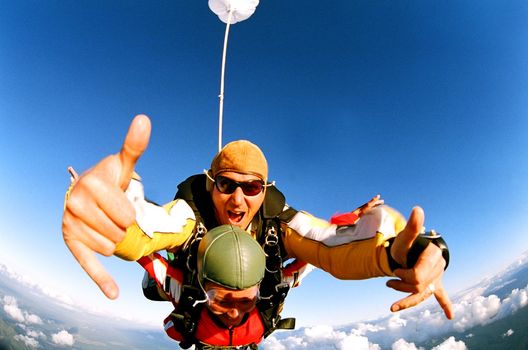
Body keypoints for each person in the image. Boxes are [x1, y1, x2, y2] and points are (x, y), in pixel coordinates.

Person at [62, 115, 453, 347]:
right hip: (200, 320)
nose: (236, 200)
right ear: (210, 183)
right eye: (226, 185)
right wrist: (108, 214)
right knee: (158, 283)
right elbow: (150, 228)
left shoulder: (278, 223)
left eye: (250, 188)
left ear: (263, 190)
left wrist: (410, 252)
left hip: (251, 327)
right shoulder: (190, 215)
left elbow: (331, 248)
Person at [140, 224, 268, 348]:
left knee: (150, 291)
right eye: (222, 301)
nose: (234, 314)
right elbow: (137, 248)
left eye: (245, 301)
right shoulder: (260, 324)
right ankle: (179, 255)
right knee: (150, 290)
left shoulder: (183, 298)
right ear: (202, 287)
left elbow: (138, 248)